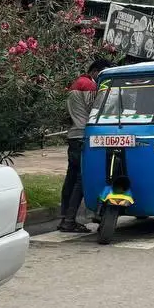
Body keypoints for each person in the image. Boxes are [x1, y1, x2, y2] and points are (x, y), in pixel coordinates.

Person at [59, 59, 109, 233]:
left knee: (71, 178)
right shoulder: (89, 85)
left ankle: (64, 216)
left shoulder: (75, 84)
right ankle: (70, 220)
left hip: (73, 136)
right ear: (96, 72)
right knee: (82, 179)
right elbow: (95, 110)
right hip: (83, 136)